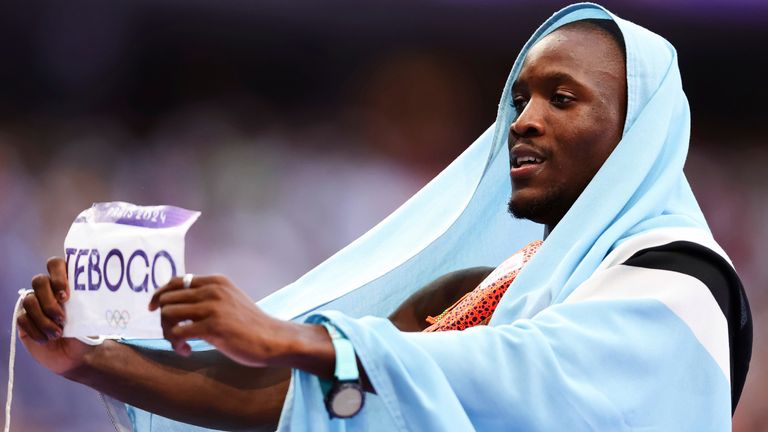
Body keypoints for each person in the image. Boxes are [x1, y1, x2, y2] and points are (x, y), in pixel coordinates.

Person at [17, 3, 751, 431]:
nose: (522, 122)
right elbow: (322, 401)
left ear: (638, 134)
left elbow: (528, 370)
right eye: (518, 100)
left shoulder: (680, 278)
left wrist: (303, 340)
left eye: (562, 98)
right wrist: (96, 361)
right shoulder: (495, 289)